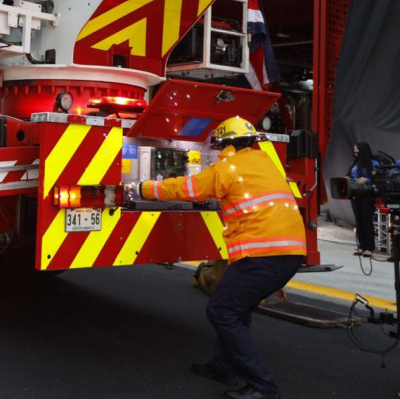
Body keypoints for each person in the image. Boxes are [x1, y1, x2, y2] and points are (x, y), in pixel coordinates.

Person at [126, 116, 306, 399]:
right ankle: (223, 366)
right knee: (236, 308)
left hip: (261, 255)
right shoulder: (267, 165)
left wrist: (141, 188)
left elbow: (187, 189)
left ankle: (263, 387)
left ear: (225, 144)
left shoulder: (228, 167)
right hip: (287, 254)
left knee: (221, 311)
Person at [348, 142, 378, 258]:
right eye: (354, 150)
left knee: (366, 221)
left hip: (367, 195)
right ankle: (361, 246)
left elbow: (377, 179)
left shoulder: (373, 164)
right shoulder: (354, 163)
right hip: (355, 194)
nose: (355, 152)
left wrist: (367, 179)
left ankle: (369, 247)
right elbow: (351, 175)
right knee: (359, 221)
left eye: (357, 150)